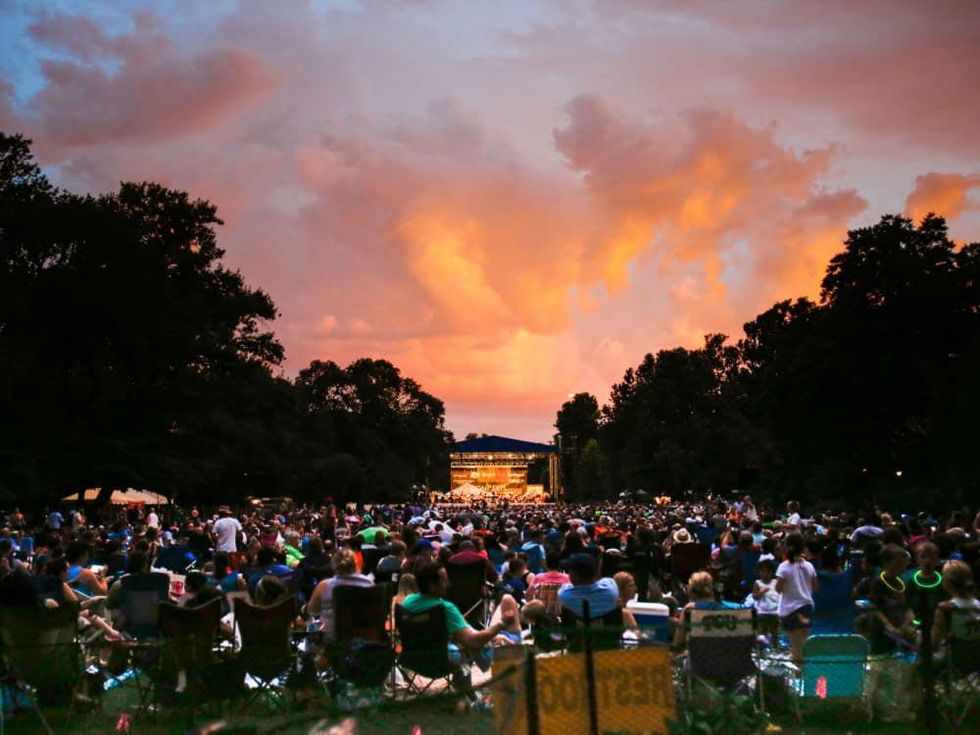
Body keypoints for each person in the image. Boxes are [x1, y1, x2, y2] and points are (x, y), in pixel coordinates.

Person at [307, 548, 373, 642]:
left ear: (334, 566)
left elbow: (313, 611)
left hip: (331, 640)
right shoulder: (368, 583)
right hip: (363, 638)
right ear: (356, 564)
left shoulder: (324, 586)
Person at [866, 543, 915, 654]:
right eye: (898, 564)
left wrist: (906, 623)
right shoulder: (878, 582)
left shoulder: (903, 582)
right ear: (885, 563)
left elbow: (908, 607)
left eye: (904, 563)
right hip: (882, 632)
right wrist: (889, 626)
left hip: (900, 629)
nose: (902, 567)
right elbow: (875, 608)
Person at [776, 533, 817, 665]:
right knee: (804, 645)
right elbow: (815, 587)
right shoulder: (809, 566)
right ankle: (807, 677)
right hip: (807, 609)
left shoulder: (784, 567)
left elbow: (778, 588)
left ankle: (799, 679)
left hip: (790, 611)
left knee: (796, 648)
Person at [930, 560, 979, 648]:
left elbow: (935, 641)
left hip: (957, 657)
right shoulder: (977, 604)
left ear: (947, 583)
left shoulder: (944, 609)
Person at [558, 553, 619, 619]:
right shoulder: (611, 587)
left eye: (570, 572)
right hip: (607, 628)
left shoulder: (563, 594)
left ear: (576, 576)